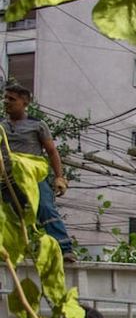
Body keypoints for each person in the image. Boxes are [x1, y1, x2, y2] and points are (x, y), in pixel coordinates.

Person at [2, 83, 73, 261]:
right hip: (7, 181)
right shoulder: (1, 126)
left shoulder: (37, 125)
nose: (6, 102)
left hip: (34, 179)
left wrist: (59, 177)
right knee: (8, 217)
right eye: (5, 98)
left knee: (45, 208)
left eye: (12, 99)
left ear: (25, 102)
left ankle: (64, 249)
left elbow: (51, 151)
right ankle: (12, 254)